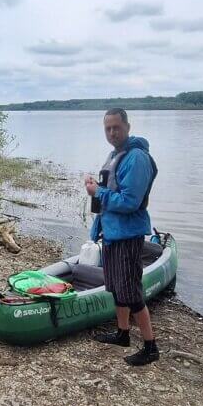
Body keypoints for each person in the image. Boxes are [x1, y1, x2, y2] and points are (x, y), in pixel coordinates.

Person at [84, 108, 159, 366]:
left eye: (116, 127)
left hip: (128, 234)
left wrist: (98, 193)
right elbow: (110, 190)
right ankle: (123, 333)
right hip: (113, 233)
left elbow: (129, 201)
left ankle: (150, 347)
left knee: (131, 291)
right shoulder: (116, 154)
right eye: (108, 129)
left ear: (127, 126)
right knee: (116, 288)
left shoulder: (137, 158)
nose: (112, 133)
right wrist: (97, 188)